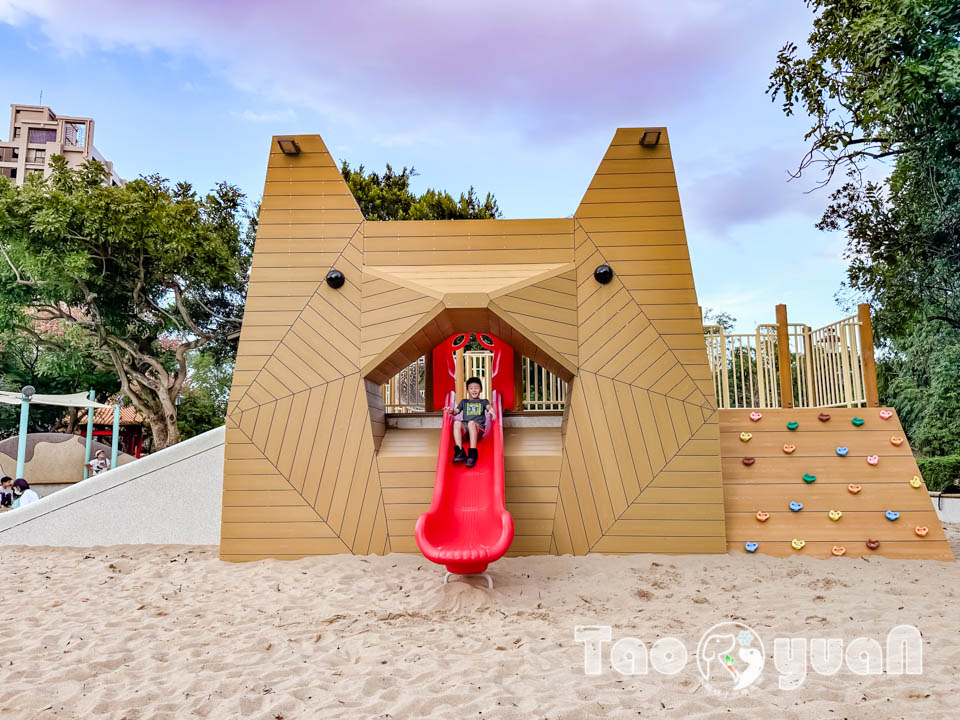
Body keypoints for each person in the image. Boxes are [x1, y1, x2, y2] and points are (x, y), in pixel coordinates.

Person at [443, 377, 495, 468]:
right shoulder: (464, 402)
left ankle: (472, 453)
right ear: (467, 390)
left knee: (471, 423)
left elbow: (488, 407)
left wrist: (492, 411)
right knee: (457, 423)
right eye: (471, 388)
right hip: (466, 430)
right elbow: (456, 412)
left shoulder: (483, 401)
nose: (474, 390)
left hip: (478, 429)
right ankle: (459, 451)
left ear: (481, 390)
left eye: (476, 388)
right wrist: (450, 411)